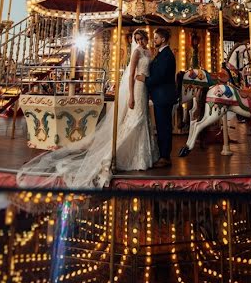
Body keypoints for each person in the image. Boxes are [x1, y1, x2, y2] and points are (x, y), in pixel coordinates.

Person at [15, 29, 158, 189]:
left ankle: (143, 156)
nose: (139, 41)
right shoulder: (136, 52)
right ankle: (128, 155)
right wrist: (131, 95)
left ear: (146, 38)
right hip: (137, 88)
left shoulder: (148, 51)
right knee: (136, 119)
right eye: (136, 39)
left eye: (141, 38)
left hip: (144, 88)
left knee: (143, 119)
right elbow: (131, 75)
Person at [138, 27, 176, 167]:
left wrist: (145, 79)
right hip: (160, 95)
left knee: (164, 126)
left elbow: (160, 76)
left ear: (163, 39)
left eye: (156, 38)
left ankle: (165, 157)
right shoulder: (161, 54)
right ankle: (163, 154)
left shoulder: (167, 55)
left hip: (164, 95)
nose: (154, 40)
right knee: (161, 126)